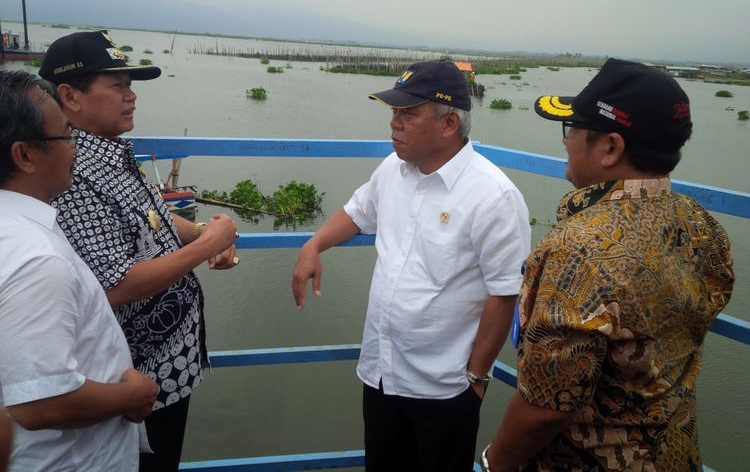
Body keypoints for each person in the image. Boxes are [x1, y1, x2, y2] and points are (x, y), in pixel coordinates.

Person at [480, 59, 735, 471]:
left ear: (611, 147)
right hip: (676, 450)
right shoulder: (700, 222)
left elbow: (548, 406)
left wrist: (496, 462)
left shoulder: (577, 247)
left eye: (572, 130)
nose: (566, 143)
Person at [292, 60, 531, 471]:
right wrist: (313, 245)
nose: (394, 125)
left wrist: (475, 380)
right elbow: (356, 212)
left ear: (449, 123)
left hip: (445, 387)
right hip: (382, 371)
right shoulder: (393, 170)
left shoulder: (493, 196)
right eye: (393, 113)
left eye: (408, 114)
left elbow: (504, 293)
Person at [38, 31, 239, 471]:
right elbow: (115, 284)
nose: (131, 97)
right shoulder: (71, 173)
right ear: (70, 96)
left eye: (131, 86)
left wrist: (203, 231)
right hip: (134, 379)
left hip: (167, 368)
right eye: (118, 86)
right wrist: (207, 245)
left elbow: (151, 214)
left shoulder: (109, 150)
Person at [0, 70, 159, 471]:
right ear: (25, 155)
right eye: (66, 136)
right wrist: (131, 397)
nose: (75, 149)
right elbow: (40, 403)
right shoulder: (38, 262)